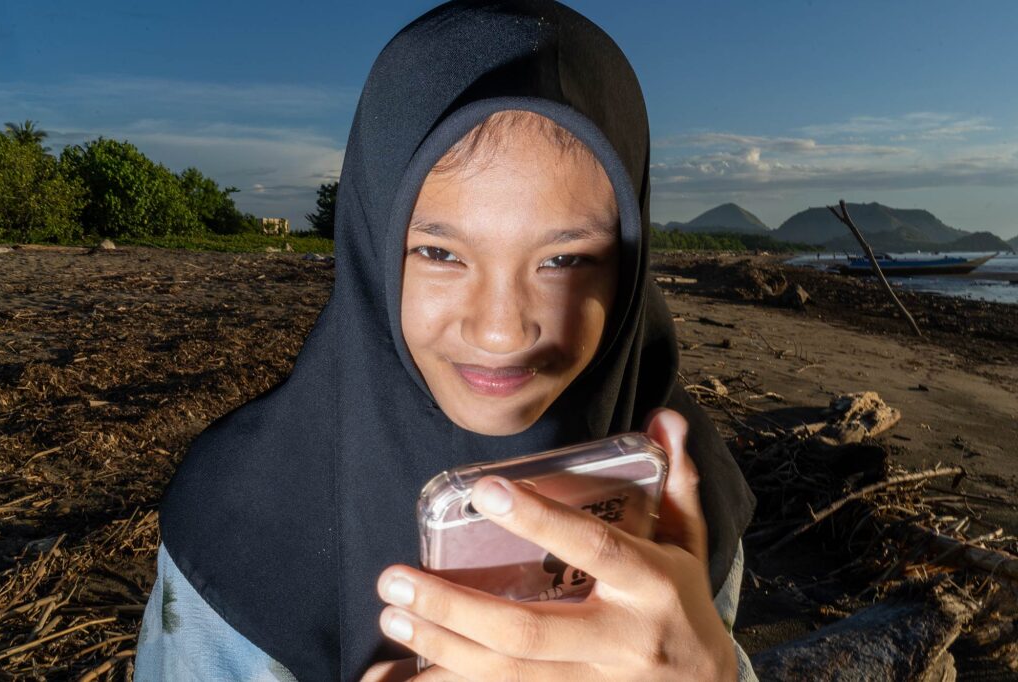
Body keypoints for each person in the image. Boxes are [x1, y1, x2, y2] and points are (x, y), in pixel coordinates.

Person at [134, 1, 756, 680]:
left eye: (564, 260)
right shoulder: (235, 526)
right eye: (439, 253)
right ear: (372, 248)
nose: (501, 329)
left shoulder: (684, 509)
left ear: (630, 270)